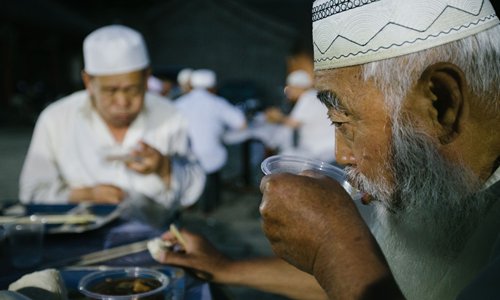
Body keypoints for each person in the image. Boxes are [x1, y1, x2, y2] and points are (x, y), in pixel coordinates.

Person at [151, 0, 500, 299]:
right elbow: (365, 276)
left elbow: (349, 270)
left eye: (344, 121)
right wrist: (226, 268)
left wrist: (334, 242)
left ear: (440, 103)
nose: (341, 155)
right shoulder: (434, 181)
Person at [19, 25, 205, 225]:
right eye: (110, 90)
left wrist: (164, 168)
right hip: (78, 246)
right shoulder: (56, 119)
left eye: (133, 89)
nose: (123, 102)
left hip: (154, 239)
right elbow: (32, 193)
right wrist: (83, 195)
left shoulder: (170, 115)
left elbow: (193, 191)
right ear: (88, 81)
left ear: (146, 77)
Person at [175, 69, 247, 213]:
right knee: (212, 178)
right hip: (211, 156)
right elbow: (241, 124)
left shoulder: (179, 103)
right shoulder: (218, 103)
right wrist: (222, 133)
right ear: (213, 87)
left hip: (185, 156)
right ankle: (209, 209)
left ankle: (190, 205)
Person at [265, 69, 335, 162]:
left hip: (320, 150)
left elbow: (293, 123)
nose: (289, 91)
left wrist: (277, 117)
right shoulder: (315, 95)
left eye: (291, 87)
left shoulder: (308, 97)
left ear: (298, 87)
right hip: (326, 147)